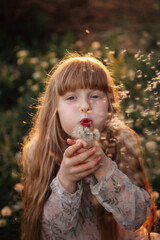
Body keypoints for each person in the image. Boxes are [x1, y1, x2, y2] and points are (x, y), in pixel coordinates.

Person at [21, 54, 159, 240]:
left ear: (110, 106)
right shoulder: (39, 149)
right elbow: (48, 233)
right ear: (55, 108)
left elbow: (137, 218)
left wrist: (105, 169)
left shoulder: (122, 140)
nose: (85, 106)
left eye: (95, 96)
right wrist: (66, 181)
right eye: (71, 97)